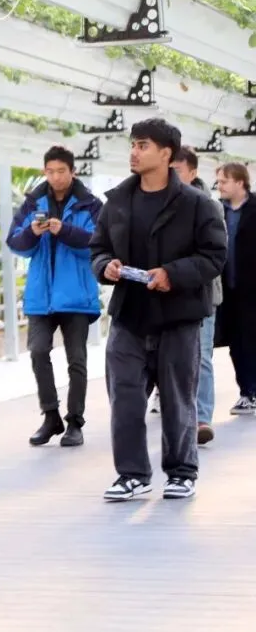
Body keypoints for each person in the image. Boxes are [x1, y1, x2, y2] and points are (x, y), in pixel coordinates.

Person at [89, 118, 226, 502]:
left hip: (178, 318)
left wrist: (172, 274)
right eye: (133, 144)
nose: (134, 152)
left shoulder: (198, 204)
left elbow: (214, 256)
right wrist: (106, 266)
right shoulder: (117, 201)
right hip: (129, 317)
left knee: (177, 399)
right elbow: (98, 249)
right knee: (125, 400)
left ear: (166, 154)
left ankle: (181, 472)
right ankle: (131, 474)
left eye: (143, 145)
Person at [6, 145, 102, 448]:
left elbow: (99, 243)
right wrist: (33, 232)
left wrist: (65, 231)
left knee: (77, 360)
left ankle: (75, 422)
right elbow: (14, 243)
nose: (56, 177)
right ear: (44, 172)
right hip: (41, 297)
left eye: (61, 171)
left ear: (73, 171)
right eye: (50, 171)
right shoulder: (33, 203)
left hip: (76, 297)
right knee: (37, 352)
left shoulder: (91, 205)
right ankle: (51, 416)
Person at [169, 147, 224, 443]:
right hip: (167, 294)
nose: (172, 176)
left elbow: (215, 253)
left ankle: (202, 419)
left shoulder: (209, 207)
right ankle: (180, 416)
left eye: (177, 171)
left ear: (192, 172)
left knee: (201, 357)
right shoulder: (156, 202)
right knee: (173, 359)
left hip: (202, 293)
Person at [213, 161, 256, 416]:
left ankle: (251, 390)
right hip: (228, 290)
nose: (219, 186)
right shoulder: (217, 211)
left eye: (224, 181)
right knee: (235, 342)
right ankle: (247, 392)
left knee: (251, 339)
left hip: (253, 289)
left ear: (240, 182)